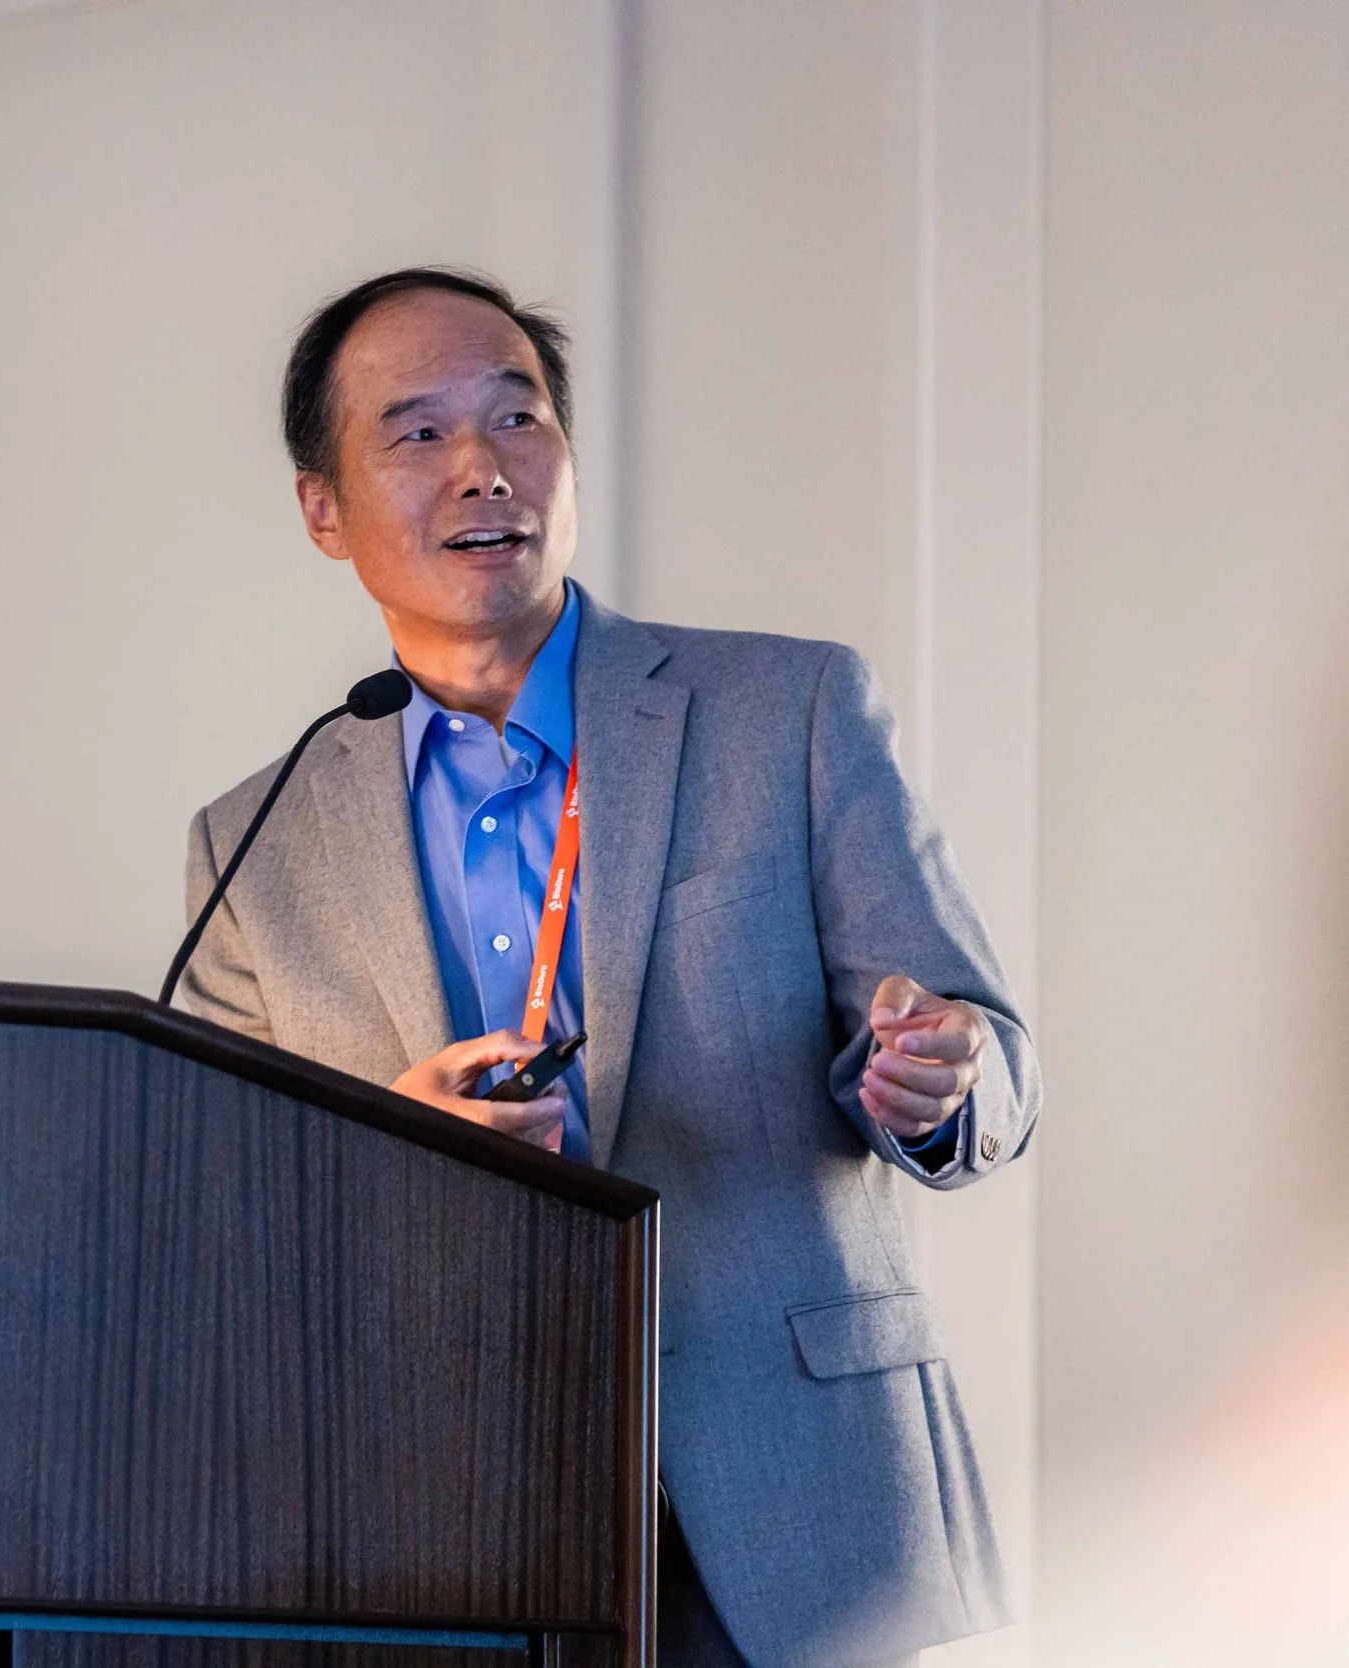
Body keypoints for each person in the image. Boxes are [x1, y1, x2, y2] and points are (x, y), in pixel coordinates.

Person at [177, 268, 1038, 1668]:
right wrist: (401, 1150)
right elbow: (236, 1222)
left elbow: (989, 1050)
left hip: (791, 1498)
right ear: (321, 509)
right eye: (417, 434)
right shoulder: (256, 843)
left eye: (518, 419)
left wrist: (940, 1075)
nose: (482, 470)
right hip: (439, 1524)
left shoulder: (788, 710)